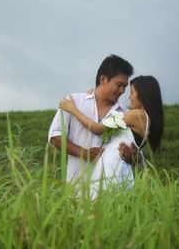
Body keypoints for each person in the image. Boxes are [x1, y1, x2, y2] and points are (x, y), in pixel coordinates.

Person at [59, 75, 164, 199]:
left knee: (97, 207)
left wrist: (72, 109)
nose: (129, 97)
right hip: (119, 169)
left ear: (142, 94)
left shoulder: (136, 115)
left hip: (112, 167)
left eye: (132, 92)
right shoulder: (147, 120)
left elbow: (97, 128)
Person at [48, 54, 138, 184]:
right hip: (76, 190)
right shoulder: (74, 102)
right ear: (103, 79)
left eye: (125, 87)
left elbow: (138, 155)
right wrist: (83, 153)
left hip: (112, 194)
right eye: (119, 85)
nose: (122, 90)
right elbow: (55, 137)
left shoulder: (126, 114)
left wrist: (132, 156)